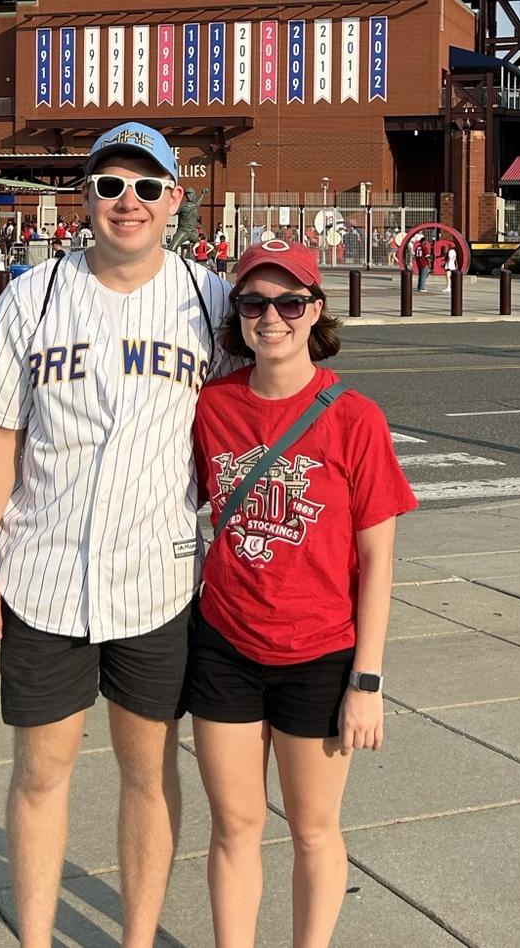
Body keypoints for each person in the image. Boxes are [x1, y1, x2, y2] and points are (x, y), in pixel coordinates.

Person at [0, 121, 231, 948]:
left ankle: (136, 940)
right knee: (41, 773)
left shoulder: (210, 301)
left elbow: (268, 406)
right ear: (86, 197)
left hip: (160, 579)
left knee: (149, 771)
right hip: (42, 575)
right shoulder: (32, 295)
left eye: (148, 186)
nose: (129, 202)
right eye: (111, 185)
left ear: (176, 198)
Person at [184, 239, 416, 947]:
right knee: (233, 827)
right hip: (224, 643)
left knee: (314, 830)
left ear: (315, 311)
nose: (272, 318)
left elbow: (377, 561)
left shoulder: (354, 417)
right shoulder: (212, 406)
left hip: (319, 652)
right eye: (255, 303)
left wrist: (367, 681)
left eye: (290, 302)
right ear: (238, 316)